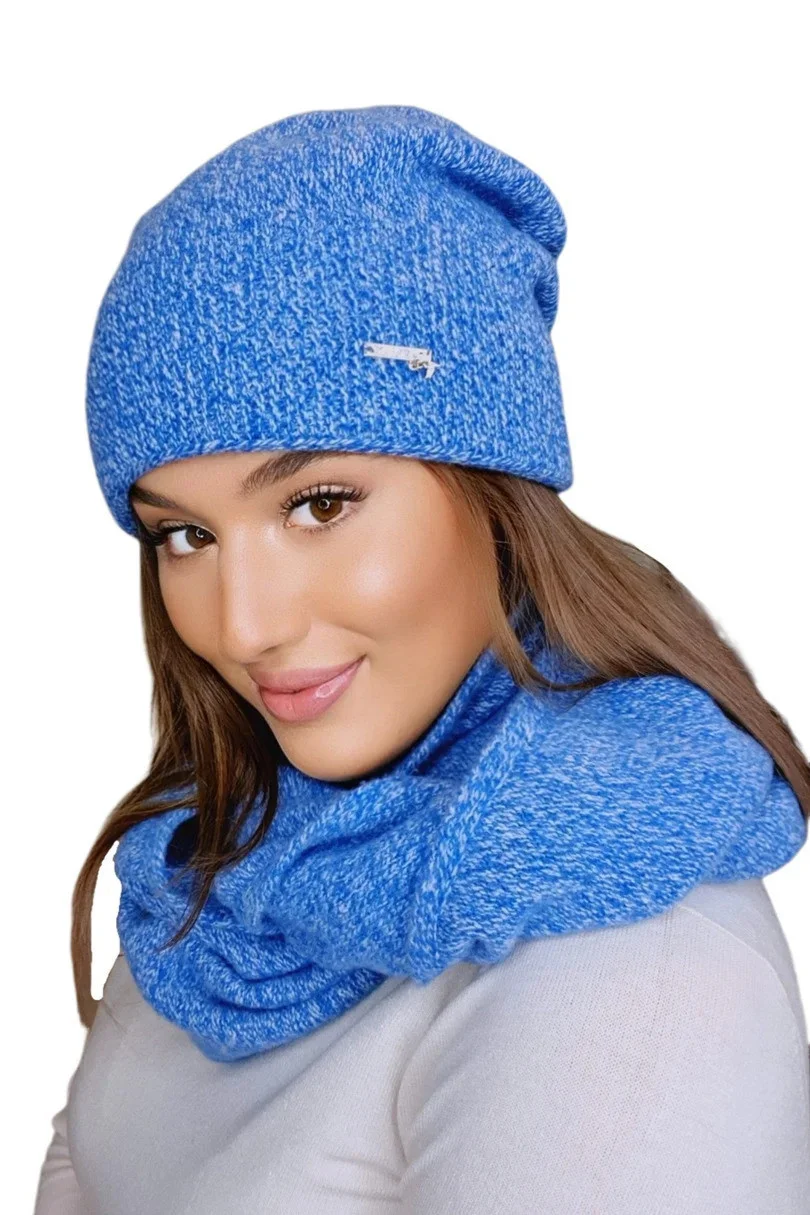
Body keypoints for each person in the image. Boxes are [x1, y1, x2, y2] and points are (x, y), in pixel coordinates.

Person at [34, 105, 810, 1214]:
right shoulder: (232, 860)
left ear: (493, 491)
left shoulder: (631, 967)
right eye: (186, 535)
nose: (242, 626)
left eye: (319, 503)